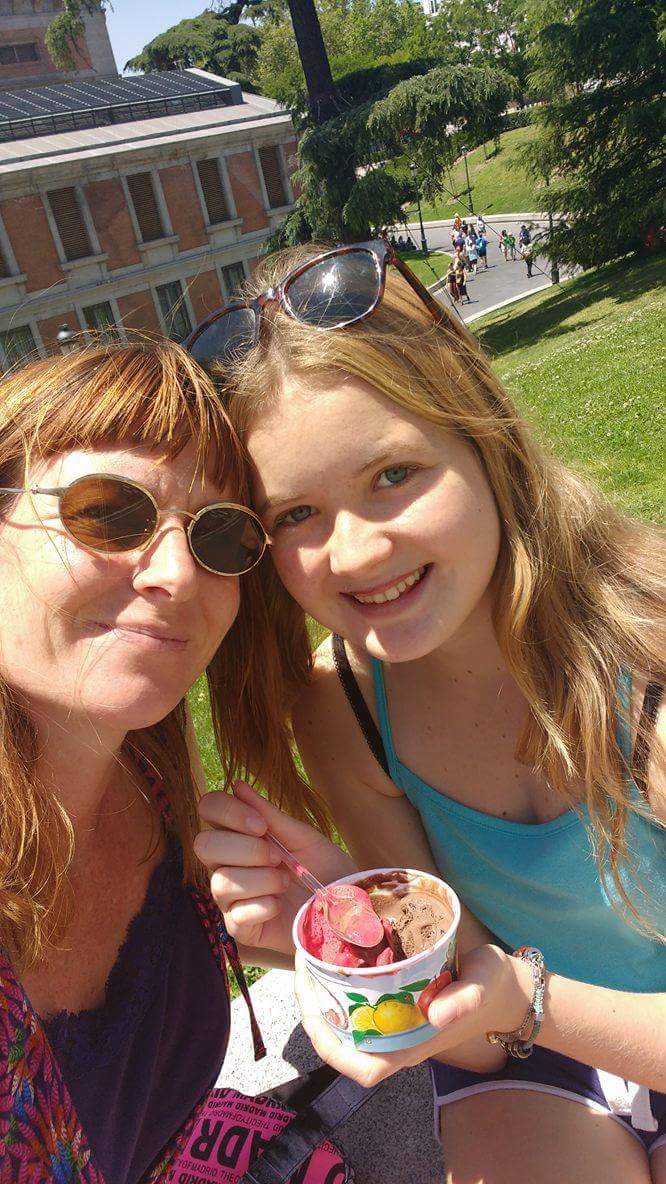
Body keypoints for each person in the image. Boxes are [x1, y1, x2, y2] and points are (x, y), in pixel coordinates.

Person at [186, 239, 666, 1184]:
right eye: (295, 516)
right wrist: (364, 949)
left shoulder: (644, 652)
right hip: (540, 1057)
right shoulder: (345, 708)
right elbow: (479, 1043)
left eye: (393, 475)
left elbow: (509, 1006)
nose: (355, 554)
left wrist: (520, 998)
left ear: (483, 440)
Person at [0, 340, 301, 1184]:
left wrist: (324, 928)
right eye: (110, 513)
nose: (177, 574)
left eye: (222, 536)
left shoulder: (155, 784)